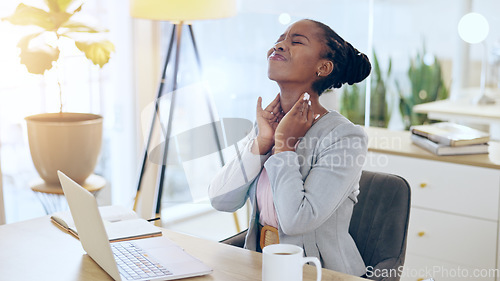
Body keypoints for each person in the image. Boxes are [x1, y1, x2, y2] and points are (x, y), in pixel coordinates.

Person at [208, 19, 371, 276]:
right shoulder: (267, 126)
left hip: (321, 273)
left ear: (324, 67)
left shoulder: (345, 137)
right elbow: (220, 200)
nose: (280, 45)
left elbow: (297, 221)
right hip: (261, 266)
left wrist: (284, 147)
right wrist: (263, 143)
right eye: (280, 39)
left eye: (296, 41)